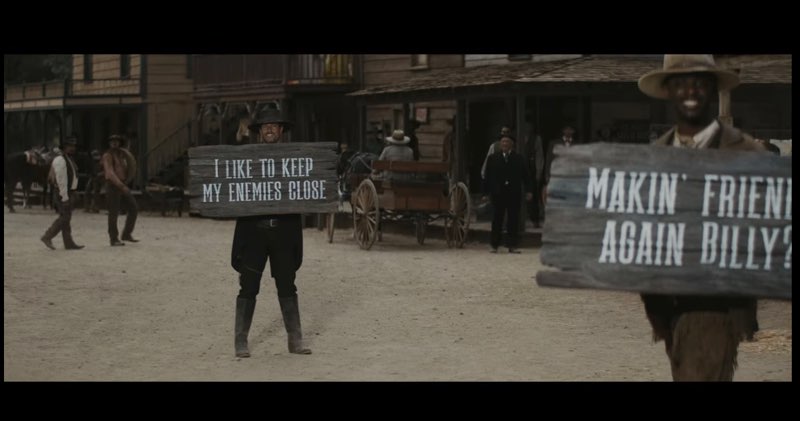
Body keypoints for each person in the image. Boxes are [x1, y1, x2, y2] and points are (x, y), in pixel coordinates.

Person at [637, 54, 766, 381]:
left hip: (713, 301)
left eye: (698, 83)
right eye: (679, 83)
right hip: (665, 303)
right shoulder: (657, 156)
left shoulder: (745, 154)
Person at [231, 108, 312, 358]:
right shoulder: (245, 160)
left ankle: (295, 340)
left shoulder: (295, 160)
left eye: (274, 125)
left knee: (288, 286)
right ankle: (241, 341)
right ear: (258, 132)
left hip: (284, 233)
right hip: (253, 233)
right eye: (265, 126)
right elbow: (236, 198)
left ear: (281, 131)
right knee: (248, 287)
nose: (269, 129)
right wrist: (238, 246)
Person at [482, 134, 532, 253]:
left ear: (512, 145)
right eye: (502, 142)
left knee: (513, 219)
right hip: (498, 193)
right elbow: (487, 176)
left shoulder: (518, 158)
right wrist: (485, 192)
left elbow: (526, 176)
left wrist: (529, 191)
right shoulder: (493, 158)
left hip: (513, 192)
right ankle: (494, 245)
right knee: (497, 219)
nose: (504, 144)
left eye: (507, 142)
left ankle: (512, 245)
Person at [40, 136, 84, 251]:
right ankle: (47, 236)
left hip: (69, 191)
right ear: (64, 148)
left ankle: (68, 242)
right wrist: (65, 197)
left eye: (73, 146)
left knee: (66, 217)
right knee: (64, 217)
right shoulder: (60, 160)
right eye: (70, 146)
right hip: (63, 192)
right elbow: (61, 181)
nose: (72, 148)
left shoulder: (68, 159)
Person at [102, 134, 139, 246]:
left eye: (117, 141)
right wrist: (121, 186)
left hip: (122, 184)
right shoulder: (107, 155)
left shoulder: (122, 155)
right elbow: (110, 172)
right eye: (112, 141)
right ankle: (113, 238)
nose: (114, 143)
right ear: (109, 143)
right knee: (113, 212)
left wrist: (126, 182)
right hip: (113, 185)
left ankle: (126, 234)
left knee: (133, 207)